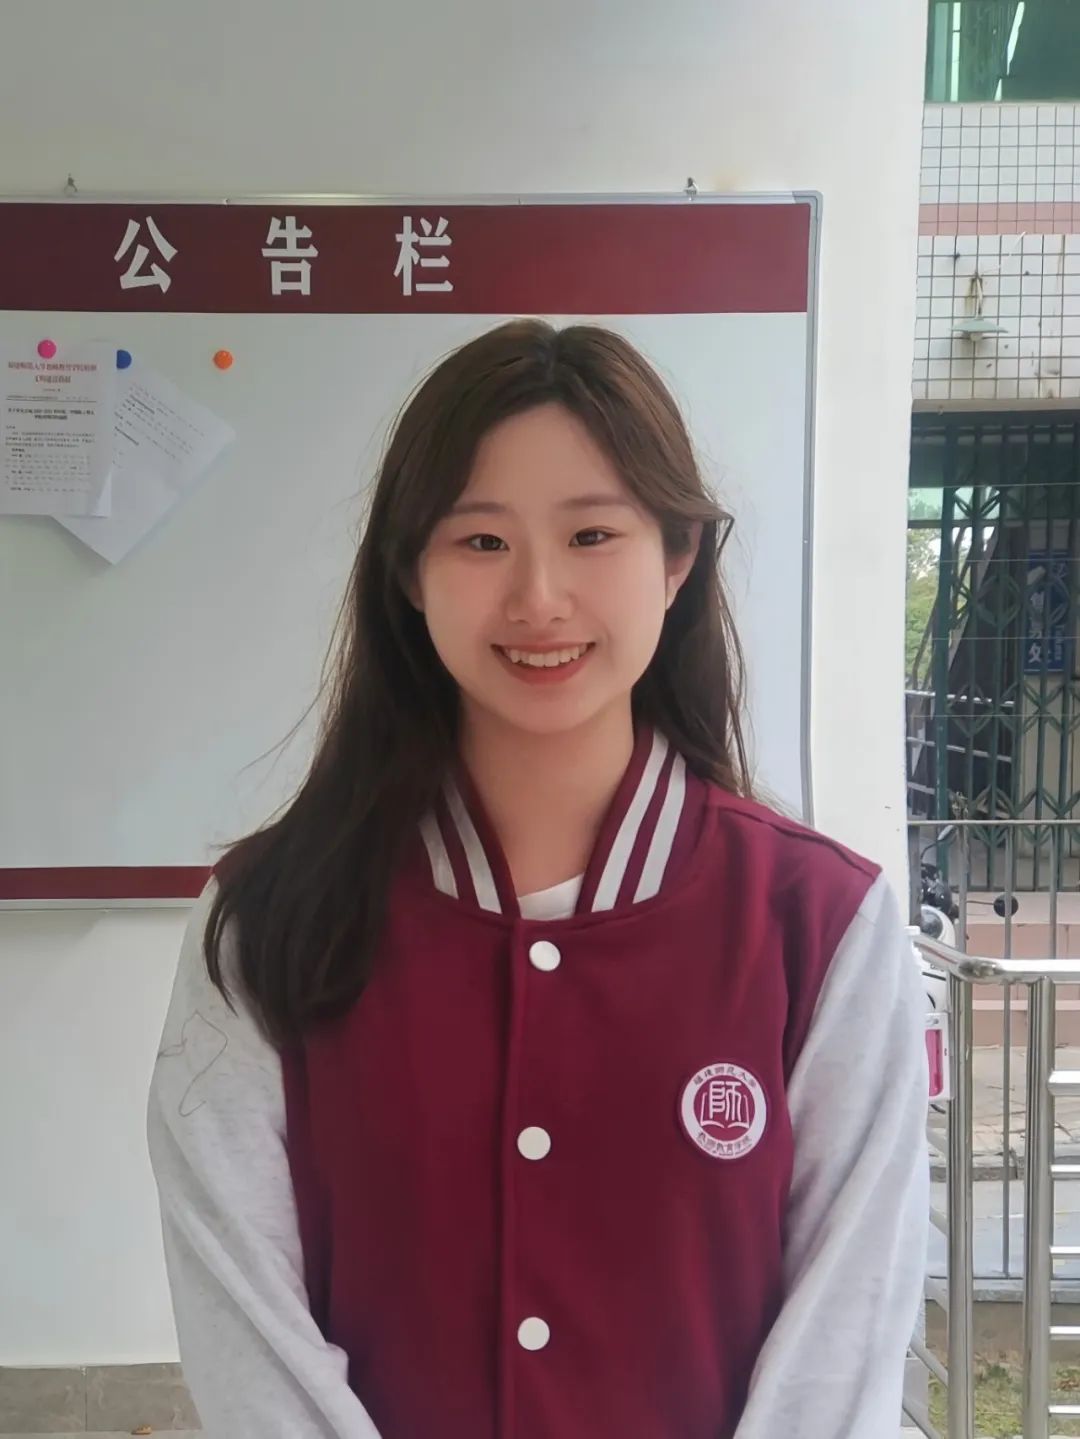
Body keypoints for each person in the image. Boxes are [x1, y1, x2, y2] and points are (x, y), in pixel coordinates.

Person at [147, 320, 929, 1439]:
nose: (539, 597)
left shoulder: (819, 927)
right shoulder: (265, 923)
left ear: (677, 560)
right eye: (481, 541)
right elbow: (247, 1334)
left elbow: (841, 1345)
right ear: (409, 574)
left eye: (593, 533)